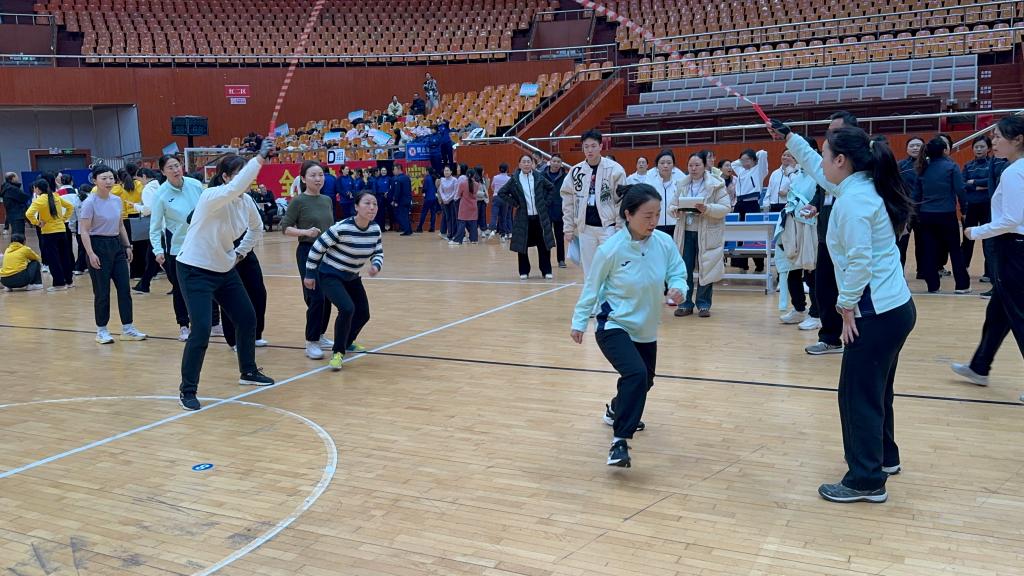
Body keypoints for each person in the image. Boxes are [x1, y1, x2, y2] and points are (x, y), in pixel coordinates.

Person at [773, 119, 916, 503]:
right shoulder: (861, 185)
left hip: (875, 314)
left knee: (856, 396)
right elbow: (815, 168)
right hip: (895, 309)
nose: (820, 162)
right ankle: (884, 457)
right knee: (876, 390)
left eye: (825, 155)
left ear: (841, 160)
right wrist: (790, 138)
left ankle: (865, 480)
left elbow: (859, 263)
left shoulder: (852, 202)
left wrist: (846, 308)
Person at [570, 183, 687, 468]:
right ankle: (619, 442)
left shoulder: (664, 242)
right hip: (613, 324)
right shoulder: (611, 249)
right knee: (635, 374)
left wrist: (679, 288)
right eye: (647, 215)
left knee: (645, 381)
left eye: (657, 214)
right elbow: (592, 287)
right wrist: (579, 321)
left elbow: (677, 272)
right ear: (628, 215)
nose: (653, 221)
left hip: (646, 328)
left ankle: (616, 409)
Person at [175, 145, 276, 411]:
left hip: (224, 269)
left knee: (247, 317)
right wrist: (259, 157)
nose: (245, 180)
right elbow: (236, 188)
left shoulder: (246, 202)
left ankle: (248, 371)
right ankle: (187, 390)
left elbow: (257, 228)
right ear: (225, 177)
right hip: (194, 270)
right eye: (239, 174)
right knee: (201, 330)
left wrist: (240, 253)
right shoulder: (211, 196)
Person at [950, 115, 1024, 399]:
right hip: (1016, 247)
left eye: (998, 136)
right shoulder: (1014, 169)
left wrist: (975, 232)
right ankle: (979, 366)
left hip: (1014, 248)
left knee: (1018, 314)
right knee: (999, 312)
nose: (993, 141)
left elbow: (1011, 219)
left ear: (1017, 140)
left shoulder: (1014, 172)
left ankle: (980, 365)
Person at [303, 191, 383, 370]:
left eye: (375, 204)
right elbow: (317, 248)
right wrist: (309, 274)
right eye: (367, 203)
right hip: (330, 275)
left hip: (352, 276)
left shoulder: (375, 229)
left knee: (363, 313)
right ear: (356, 207)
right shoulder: (341, 228)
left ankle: (346, 342)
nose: (372, 207)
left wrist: (376, 265)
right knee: (347, 308)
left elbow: (378, 251)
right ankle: (337, 353)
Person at [801, 110, 859, 355]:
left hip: (850, 240)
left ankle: (858, 340)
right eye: (830, 131)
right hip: (826, 236)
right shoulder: (828, 164)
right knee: (824, 287)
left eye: (836, 131)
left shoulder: (860, 164)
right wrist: (814, 206)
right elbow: (821, 190)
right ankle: (830, 338)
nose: (831, 135)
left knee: (850, 288)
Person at [78, 164, 147, 345]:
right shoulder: (89, 202)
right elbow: (84, 231)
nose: (108, 181)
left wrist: (127, 245)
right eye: (104, 178)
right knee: (102, 291)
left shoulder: (117, 200)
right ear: (95, 181)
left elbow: (120, 225)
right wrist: (90, 253)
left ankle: (128, 328)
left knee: (124, 288)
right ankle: (101, 330)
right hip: (97, 245)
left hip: (116, 245)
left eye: (111, 178)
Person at [281, 160, 337, 360]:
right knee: (315, 297)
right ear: (303, 179)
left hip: (327, 253)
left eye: (321, 175)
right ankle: (311, 341)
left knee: (328, 296)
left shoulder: (327, 200)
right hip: (307, 252)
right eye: (313, 175)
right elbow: (285, 227)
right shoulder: (298, 201)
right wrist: (305, 232)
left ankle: (320, 335)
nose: (318, 179)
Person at [150, 155, 205, 342]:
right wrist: (158, 250)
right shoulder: (161, 194)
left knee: (209, 283)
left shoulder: (195, 185)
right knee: (180, 289)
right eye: (170, 167)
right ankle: (183, 325)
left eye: (177, 165)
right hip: (178, 249)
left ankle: (214, 323)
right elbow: (155, 226)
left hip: (202, 244)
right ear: (163, 171)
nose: (175, 170)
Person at [561, 129, 627, 280]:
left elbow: (621, 200)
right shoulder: (576, 171)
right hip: (585, 228)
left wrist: (620, 227)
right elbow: (568, 201)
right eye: (586, 147)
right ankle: (591, 295)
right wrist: (568, 228)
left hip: (609, 227)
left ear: (600, 146)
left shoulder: (615, 169)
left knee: (611, 268)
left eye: (593, 146)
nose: (589, 150)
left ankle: (609, 295)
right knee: (589, 271)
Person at [669, 153, 730, 317]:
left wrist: (707, 209)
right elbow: (672, 205)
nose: (693, 168)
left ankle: (704, 304)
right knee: (684, 269)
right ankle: (684, 304)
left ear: (705, 166)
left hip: (707, 232)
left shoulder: (716, 184)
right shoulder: (682, 184)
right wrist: (674, 210)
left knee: (707, 267)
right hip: (685, 232)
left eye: (697, 165)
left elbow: (725, 208)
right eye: (690, 165)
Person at [913, 137, 971, 294]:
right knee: (955, 249)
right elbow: (960, 189)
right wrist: (964, 210)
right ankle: (962, 285)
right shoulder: (951, 166)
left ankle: (933, 285)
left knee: (929, 250)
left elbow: (916, 195)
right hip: (946, 214)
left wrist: (916, 213)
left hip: (926, 214)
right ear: (945, 150)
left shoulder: (922, 167)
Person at [774, 138, 821, 327]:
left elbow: (818, 199)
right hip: (793, 226)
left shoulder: (820, 174)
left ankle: (817, 314)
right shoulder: (797, 174)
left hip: (811, 227)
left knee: (811, 271)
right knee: (791, 269)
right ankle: (799, 309)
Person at [498, 154, 557, 279]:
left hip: (540, 218)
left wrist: (545, 203)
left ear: (532, 164)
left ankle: (546, 270)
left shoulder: (538, 177)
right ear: (519, 164)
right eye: (524, 162)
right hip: (523, 218)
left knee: (544, 245)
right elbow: (502, 192)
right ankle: (524, 271)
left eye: (528, 162)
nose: (526, 164)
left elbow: (551, 188)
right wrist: (515, 203)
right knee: (522, 246)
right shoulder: (514, 179)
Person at [25, 178, 75, 291]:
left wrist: (37, 223)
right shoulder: (56, 196)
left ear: (37, 189)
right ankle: (69, 281)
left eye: (34, 188)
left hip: (49, 233)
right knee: (65, 256)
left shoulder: (39, 200)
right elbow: (70, 207)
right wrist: (64, 219)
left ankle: (59, 284)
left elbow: (28, 214)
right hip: (61, 230)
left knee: (54, 259)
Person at [729, 148, 769, 272]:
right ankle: (742, 264)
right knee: (738, 233)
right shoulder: (741, 170)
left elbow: (763, 153)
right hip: (739, 204)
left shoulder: (759, 170)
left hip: (752, 204)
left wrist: (752, 157)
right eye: (742, 160)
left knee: (754, 234)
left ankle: (759, 264)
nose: (744, 163)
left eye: (747, 160)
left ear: (754, 160)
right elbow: (733, 164)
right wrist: (744, 160)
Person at [961, 135, 994, 277]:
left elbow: (992, 181)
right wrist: (980, 186)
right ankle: (963, 268)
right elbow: (963, 184)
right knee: (968, 239)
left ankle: (989, 272)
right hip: (971, 206)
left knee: (988, 240)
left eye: (982, 146)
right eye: (976, 147)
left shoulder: (993, 163)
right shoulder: (968, 166)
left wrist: (973, 182)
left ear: (989, 148)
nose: (979, 149)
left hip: (988, 206)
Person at [644, 149, 684, 238]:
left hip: (675, 223)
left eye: (669, 163)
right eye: (662, 163)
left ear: (673, 165)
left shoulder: (680, 177)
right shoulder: (649, 177)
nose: (665, 166)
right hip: (655, 224)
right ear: (657, 165)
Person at [897, 137, 924, 269]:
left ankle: (922, 270)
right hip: (905, 209)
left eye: (918, 145)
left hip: (923, 209)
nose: (915, 148)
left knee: (923, 242)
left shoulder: (928, 164)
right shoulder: (900, 165)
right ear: (907, 149)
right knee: (902, 243)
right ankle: (899, 271)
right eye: (912, 146)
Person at [541, 154, 569, 266]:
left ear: (561, 164)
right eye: (554, 161)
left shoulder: (566, 177)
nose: (556, 163)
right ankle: (546, 260)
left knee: (559, 237)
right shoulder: (542, 175)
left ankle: (561, 260)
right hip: (546, 210)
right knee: (546, 237)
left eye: (558, 161)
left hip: (560, 210)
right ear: (550, 162)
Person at [451, 167, 480, 245]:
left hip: (464, 206)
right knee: (473, 223)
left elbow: (458, 194)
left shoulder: (462, 183)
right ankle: (474, 239)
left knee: (461, 223)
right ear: (474, 175)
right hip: (473, 206)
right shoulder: (477, 184)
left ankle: (458, 240)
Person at [489, 163, 512, 240]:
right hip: (505, 198)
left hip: (496, 197)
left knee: (494, 215)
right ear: (507, 169)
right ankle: (503, 234)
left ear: (499, 169)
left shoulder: (495, 177)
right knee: (503, 217)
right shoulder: (509, 179)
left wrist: (496, 191)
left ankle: (492, 230)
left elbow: (492, 186)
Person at [391, 164, 413, 236]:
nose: (394, 171)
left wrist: (395, 200)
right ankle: (409, 230)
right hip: (408, 199)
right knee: (406, 215)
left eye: (394, 169)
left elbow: (397, 191)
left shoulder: (398, 179)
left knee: (401, 216)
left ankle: (406, 230)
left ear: (398, 169)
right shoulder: (407, 178)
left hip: (401, 201)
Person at [438, 165, 459, 240]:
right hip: (445, 201)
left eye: (447, 170)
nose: (446, 172)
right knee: (448, 218)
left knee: (453, 218)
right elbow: (441, 190)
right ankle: (449, 234)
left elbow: (455, 191)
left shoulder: (454, 180)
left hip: (452, 201)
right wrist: (444, 199)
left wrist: (448, 199)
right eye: (445, 171)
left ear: (451, 172)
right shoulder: (442, 180)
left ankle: (454, 234)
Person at [417, 167, 440, 233]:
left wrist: (422, 191)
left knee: (424, 213)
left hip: (428, 198)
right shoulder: (434, 177)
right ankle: (432, 227)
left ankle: (420, 227)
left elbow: (425, 188)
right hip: (434, 198)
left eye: (425, 171)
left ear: (427, 171)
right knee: (433, 213)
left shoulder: (427, 178)